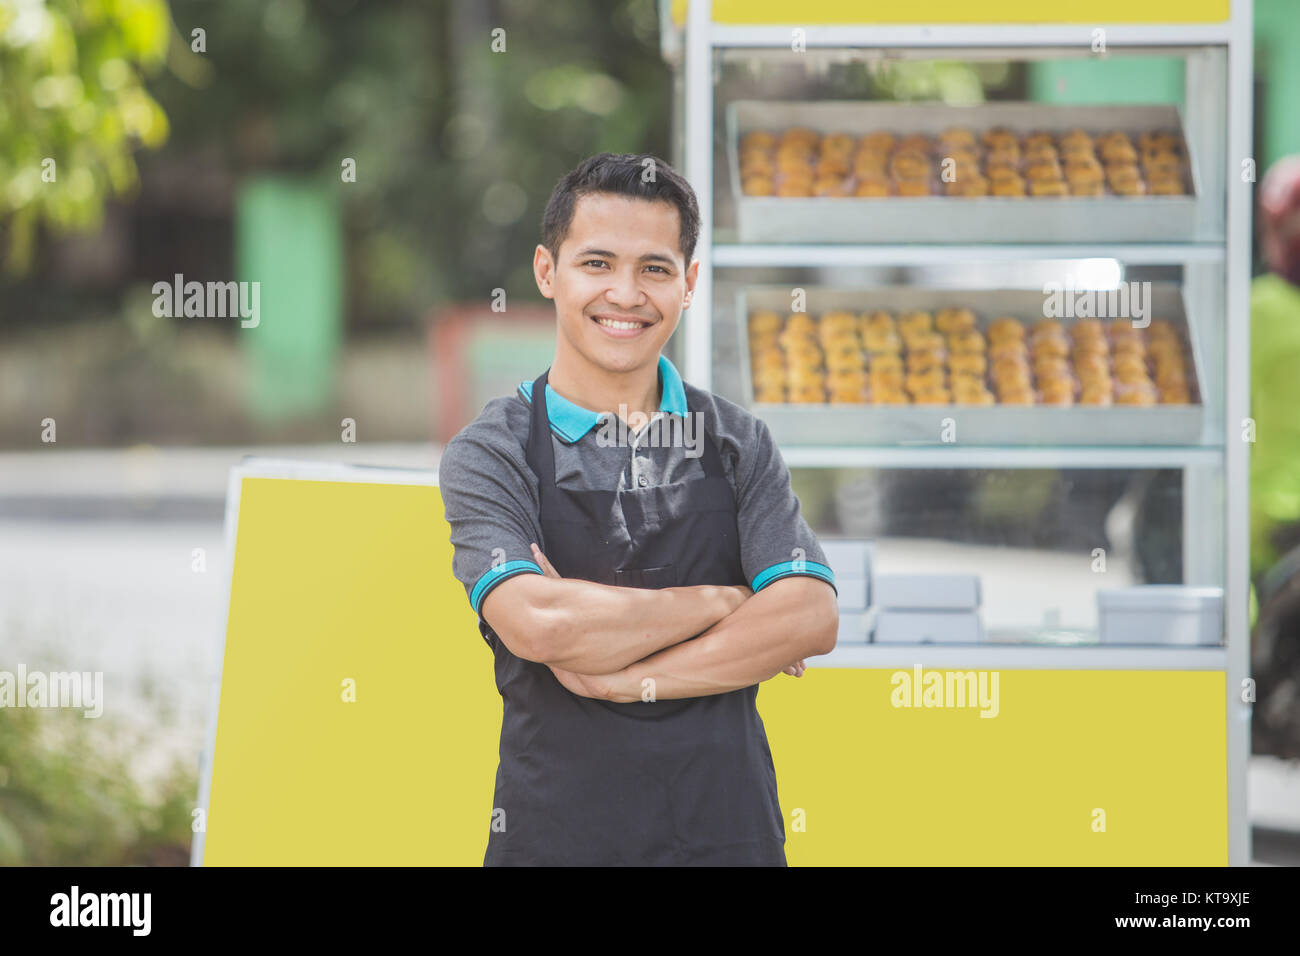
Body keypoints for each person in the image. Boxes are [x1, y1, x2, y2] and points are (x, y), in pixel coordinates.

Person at [438, 152, 839, 866]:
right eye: (597, 263)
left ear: (688, 284)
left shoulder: (737, 442)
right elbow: (539, 621)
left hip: (728, 837)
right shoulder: (492, 451)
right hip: (555, 840)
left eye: (654, 269)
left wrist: (620, 678)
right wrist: (730, 601)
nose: (625, 294)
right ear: (546, 272)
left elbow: (810, 616)